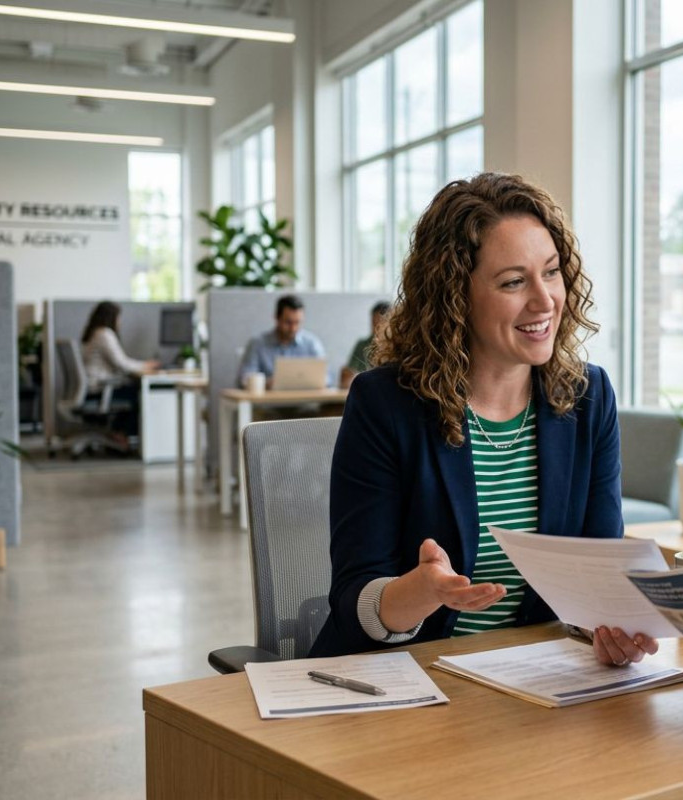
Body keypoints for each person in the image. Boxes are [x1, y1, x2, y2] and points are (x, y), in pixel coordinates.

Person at [310, 172, 657, 669]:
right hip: (406, 675)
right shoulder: (385, 404)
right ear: (455, 296)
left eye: (551, 272)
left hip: (533, 677)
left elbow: (596, 573)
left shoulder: (588, 396)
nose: (545, 300)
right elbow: (353, 602)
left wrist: (609, 625)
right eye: (514, 281)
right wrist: (421, 592)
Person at [79, 300, 159, 438]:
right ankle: (121, 434)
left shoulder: (94, 333)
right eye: (118, 317)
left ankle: (118, 433)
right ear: (111, 317)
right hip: (100, 390)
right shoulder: (104, 334)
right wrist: (146, 365)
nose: (119, 322)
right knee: (140, 394)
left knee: (132, 389)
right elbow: (122, 363)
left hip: (91, 389)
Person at [236, 294, 327, 388]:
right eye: (288, 322)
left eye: (297, 322)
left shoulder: (312, 344)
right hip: (269, 397)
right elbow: (244, 379)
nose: (293, 328)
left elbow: (326, 378)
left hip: (305, 397)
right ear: (277, 318)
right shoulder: (257, 344)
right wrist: (266, 383)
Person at [339, 301, 390, 389]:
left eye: (380, 324)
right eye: (373, 323)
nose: (376, 328)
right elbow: (350, 371)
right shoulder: (362, 345)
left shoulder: (395, 347)